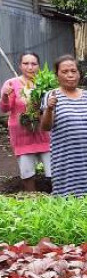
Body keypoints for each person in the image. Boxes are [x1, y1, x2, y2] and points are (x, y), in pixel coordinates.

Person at [39, 55, 87, 196]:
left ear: (79, 74)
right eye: (65, 71)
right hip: (65, 161)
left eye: (73, 71)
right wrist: (49, 109)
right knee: (67, 199)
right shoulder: (52, 96)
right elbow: (45, 127)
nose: (70, 75)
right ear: (57, 75)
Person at [0, 52, 52, 191]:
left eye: (33, 64)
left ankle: (58, 200)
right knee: (27, 172)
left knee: (54, 171)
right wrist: (5, 95)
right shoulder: (11, 84)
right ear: (20, 66)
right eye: (26, 63)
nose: (30, 67)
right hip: (22, 136)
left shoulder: (45, 83)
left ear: (39, 66)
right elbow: (5, 109)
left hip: (44, 133)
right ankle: (32, 201)